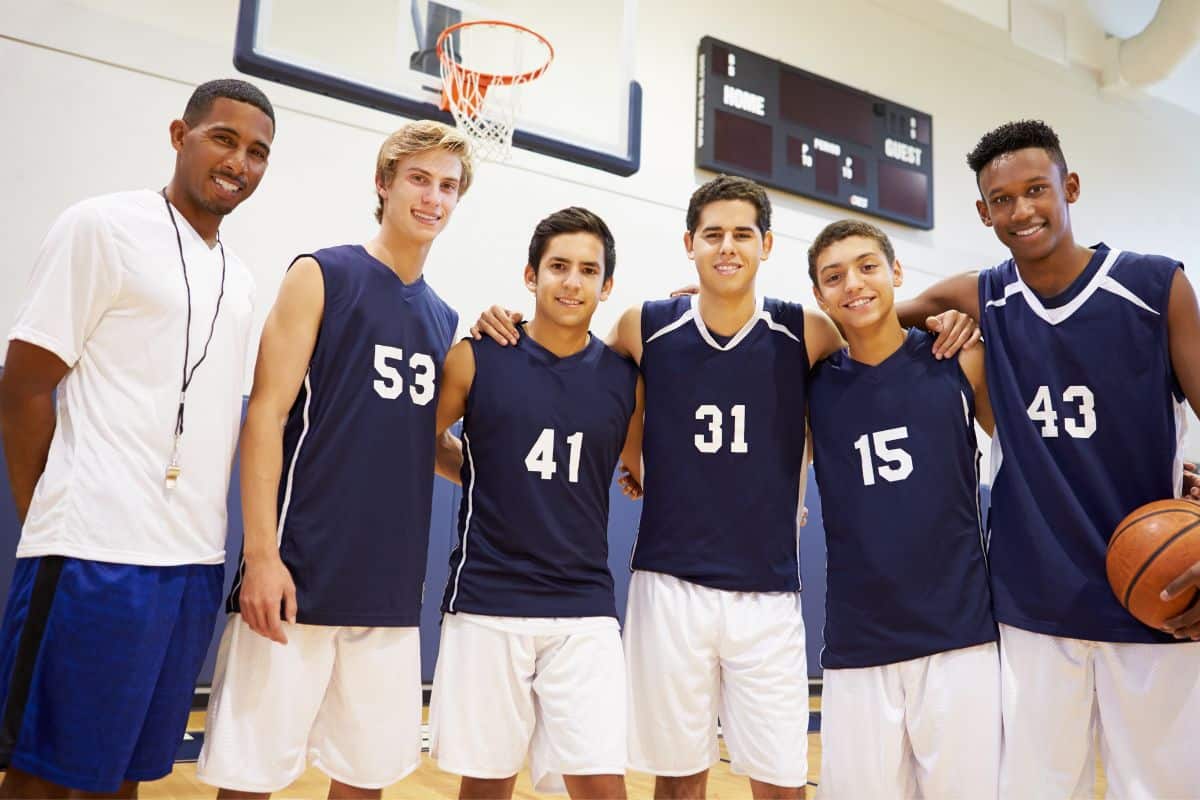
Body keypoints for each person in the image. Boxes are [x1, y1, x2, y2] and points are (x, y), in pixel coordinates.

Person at [474, 175, 978, 800]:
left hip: (768, 592)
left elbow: (873, 323)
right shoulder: (645, 325)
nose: (727, 247)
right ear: (689, 243)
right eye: (712, 234)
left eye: (743, 233)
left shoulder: (808, 331)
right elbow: (579, 386)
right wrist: (510, 328)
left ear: (766, 244)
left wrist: (940, 314)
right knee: (679, 778)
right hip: (669, 584)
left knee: (782, 780)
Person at [897, 119, 1200, 798]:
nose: (1021, 210)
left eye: (1036, 189)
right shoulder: (983, 295)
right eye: (1001, 200)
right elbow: (867, 323)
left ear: (1070, 187)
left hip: (1155, 595)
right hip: (1033, 601)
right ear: (983, 212)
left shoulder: (1156, 287)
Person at [0, 79, 275, 799]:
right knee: (44, 771)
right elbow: (24, 387)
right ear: (179, 134)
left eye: (257, 152)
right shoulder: (102, 226)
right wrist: (50, 519)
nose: (239, 162)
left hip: (190, 565)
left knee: (128, 772)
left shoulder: (240, 278)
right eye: (224, 138)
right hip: (92, 555)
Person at [195, 120, 472, 799]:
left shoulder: (443, 317)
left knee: (365, 778)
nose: (433, 198)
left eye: (448, 186)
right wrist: (262, 556)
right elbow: (265, 416)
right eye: (418, 179)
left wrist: (515, 467)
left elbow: (421, 441)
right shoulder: (323, 273)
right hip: (298, 576)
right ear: (383, 184)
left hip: (389, 589)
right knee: (249, 778)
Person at [429, 206, 642, 800]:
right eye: (558, 267)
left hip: (584, 606)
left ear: (607, 286)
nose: (571, 282)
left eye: (587, 270)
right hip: (487, 601)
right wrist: (477, 473)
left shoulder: (627, 379)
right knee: (488, 782)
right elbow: (422, 439)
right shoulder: (479, 356)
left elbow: (644, 468)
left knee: (602, 782)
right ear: (531, 276)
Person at [805, 219, 998, 799]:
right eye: (833, 277)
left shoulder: (961, 359)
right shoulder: (812, 385)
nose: (853, 285)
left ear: (896, 272)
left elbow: (1036, 456)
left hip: (961, 638)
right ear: (819, 296)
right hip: (859, 645)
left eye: (867, 266)